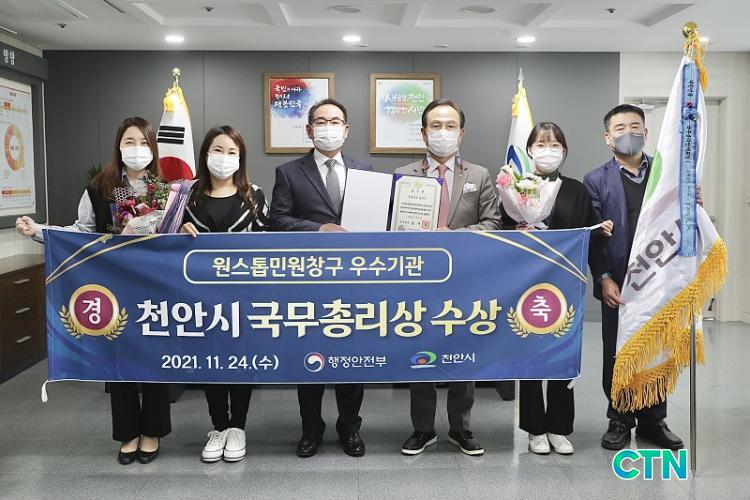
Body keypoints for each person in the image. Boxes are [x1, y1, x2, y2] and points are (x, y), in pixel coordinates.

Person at [16, 116, 171, 465]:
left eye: (144, 143)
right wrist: (39, 230)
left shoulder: (165, 188)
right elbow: (80, 232)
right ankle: (128, 433)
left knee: (155, 358)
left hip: (155, 286)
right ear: (118, 146)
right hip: (113, 285)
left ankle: (153, 431)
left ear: (153, 148)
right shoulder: (100, 188)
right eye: (129, 142)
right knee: (119, 359)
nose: (137, 149)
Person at [395, 98, 502, 457]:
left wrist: (454, 236)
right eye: (436, 126)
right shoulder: (403, 174)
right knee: (420, 352)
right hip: (420, 281)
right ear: (424, 133)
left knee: (463, 353)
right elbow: (392, 228)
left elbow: (493, 223)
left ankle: (461, 428)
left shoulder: (479, 175)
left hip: (465, 279)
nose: (443, 132)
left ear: (461, 132)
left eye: (450, 126)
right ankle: (422, 429)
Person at [499, 121, 613, 455]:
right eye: (540, 144)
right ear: (529, 149)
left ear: (564, 151)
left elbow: (585, 234)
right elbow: (500, 231)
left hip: (565, 284)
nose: (547, 151)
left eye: (554, 145)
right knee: (530, 354)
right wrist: (516, 228)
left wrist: (599, 230)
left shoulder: (576, 190)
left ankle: (560, 428)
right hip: (526, 284)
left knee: (562, 353)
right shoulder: (516, 186)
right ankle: (535, 429)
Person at [269, 98, 372, 457]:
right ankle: (311, 429)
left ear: (346, 129)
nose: (329, 127)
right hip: (309, 281)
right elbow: (277, 220)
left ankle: (350, 427)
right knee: (309, 357)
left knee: (351, 359)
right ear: (309, 129)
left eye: (335, 121)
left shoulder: (365, 171)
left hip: (354, 281)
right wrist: (319, 229)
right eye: (321, 121)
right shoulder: (288, 172)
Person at [584, 104, 686, 451]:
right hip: (620, 283)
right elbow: (594, 238)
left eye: (635, 126)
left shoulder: (668, 173)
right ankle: (620, 419)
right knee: (618, 352)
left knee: (655, 350)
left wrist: (694, 203)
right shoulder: (595, 180)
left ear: (645, 131)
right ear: (607, 137)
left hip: (659, 279)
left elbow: (681, 219)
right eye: (620, 128)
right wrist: (604, 278)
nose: (628, 132)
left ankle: (653, 421)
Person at [180, 125, 269, 463]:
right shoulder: (186, 196)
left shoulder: (254, 196)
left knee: (241, 361)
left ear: (241, 158)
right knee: (211, 362)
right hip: (199, 297)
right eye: (218, 150)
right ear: (205, 153)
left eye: (232, 152)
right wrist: (178, 229)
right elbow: (164, 239)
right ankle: (218, 426)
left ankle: (238, 427)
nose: (224, 157)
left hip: (244, 296)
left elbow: (269, 244)